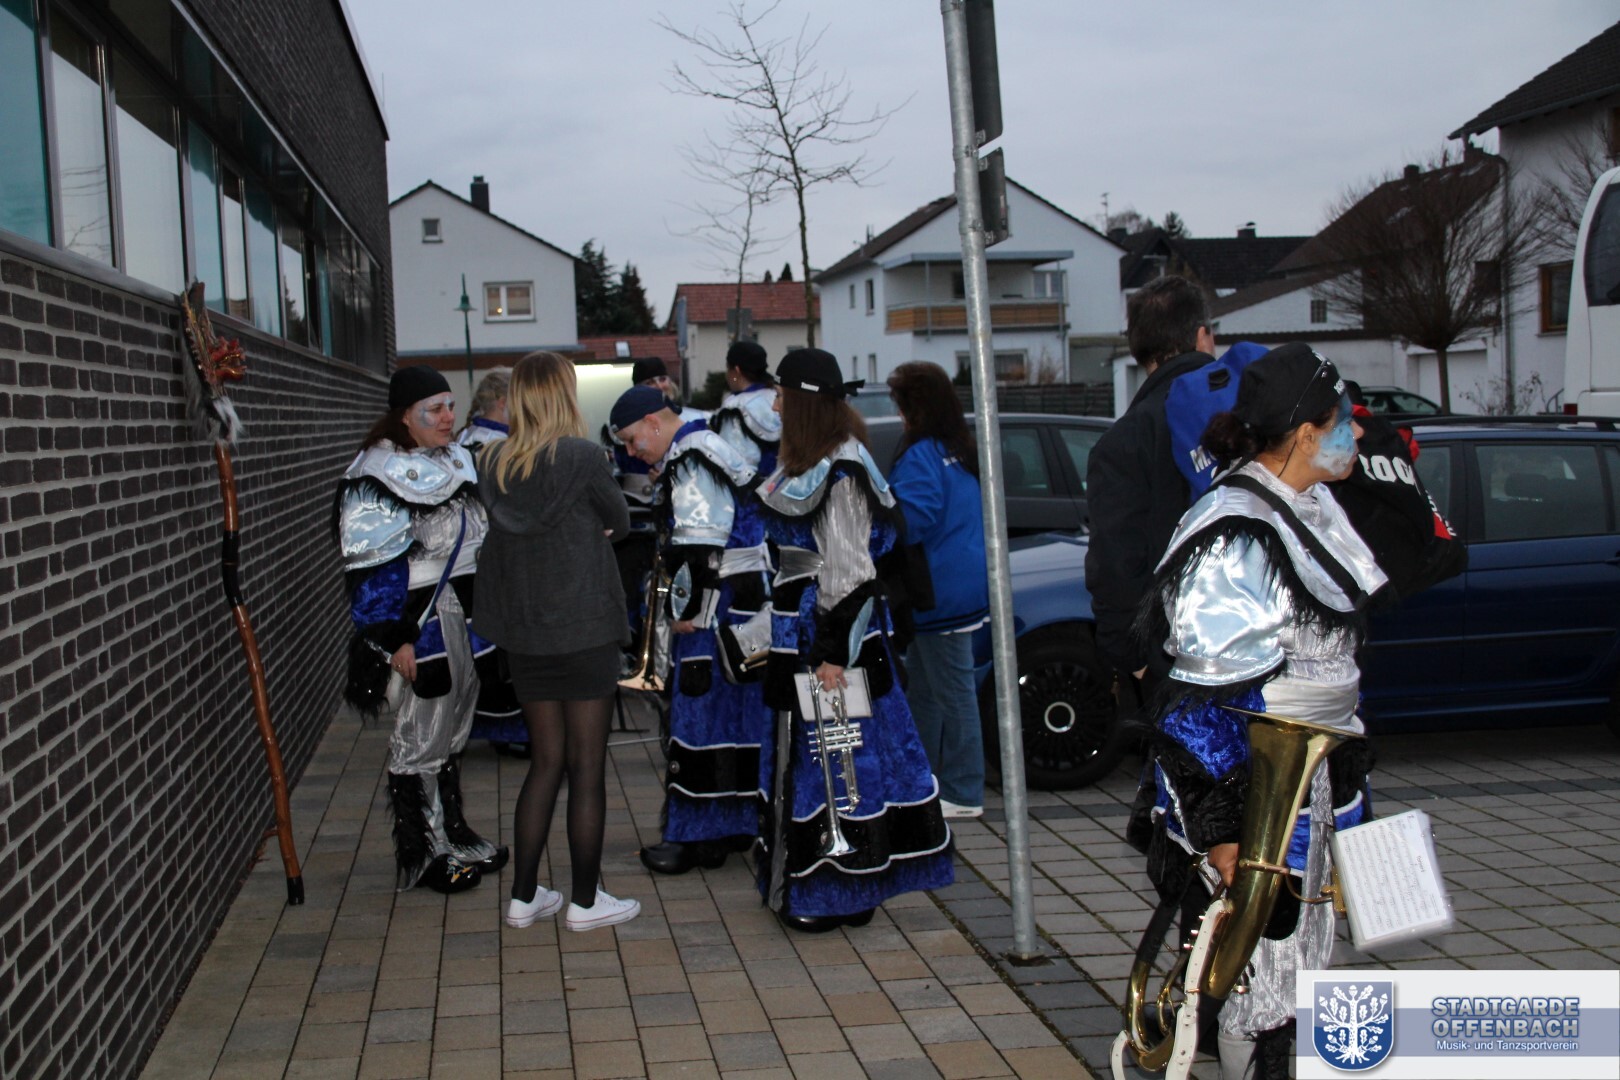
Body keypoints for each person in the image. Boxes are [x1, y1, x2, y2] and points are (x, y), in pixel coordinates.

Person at [1135, 343, 1385, 1078]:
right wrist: (1223, 832)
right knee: (1263, 982)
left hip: (1318, 779)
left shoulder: (1311, 503)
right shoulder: (1236, 530)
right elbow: (1196, 702)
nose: (1358, 432)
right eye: (1344, 421)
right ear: (1305, 433)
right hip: (1259, 800)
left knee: (1305, 965)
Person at [755, 347, 954, 933]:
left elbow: (850, 573)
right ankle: (838, 886)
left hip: (835, 644)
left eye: (781, 395)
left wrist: (831, 657)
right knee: (834, 760)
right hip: (812, 636)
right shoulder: (818, 461)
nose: (774, 405)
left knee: (840, 763)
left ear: (802, 404)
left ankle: (842, 890)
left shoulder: (841, 468)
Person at [473, 352, 640, 932]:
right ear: (564, 395)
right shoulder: (583, 456)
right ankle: (585, 903)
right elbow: (622, 521)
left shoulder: (490, 461)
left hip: (526, 634)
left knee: (545, 763)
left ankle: (524, 897)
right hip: (585, 627)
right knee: (586, 767)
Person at [336, 365, 509, 894]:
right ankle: (424, 850)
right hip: (421, 620)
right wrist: (395, 639)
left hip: (462, 613)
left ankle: (452, 831)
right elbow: (372, 567)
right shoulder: (376, 473)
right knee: (421, 733)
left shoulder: (455, 458)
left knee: (453, 727)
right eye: (433, 409)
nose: (447, 417)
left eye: (450, 405)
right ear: (404, 417)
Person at [610, 384, 772, 874]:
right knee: (736, 717)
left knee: (698, 715)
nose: (632, 452)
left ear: (654, 422)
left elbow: (699, 542)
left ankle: (692, 835)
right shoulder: (708, 445)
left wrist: (687, 609)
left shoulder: (691, 456)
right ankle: (733, 824)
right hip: (740, 601)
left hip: (712, 607)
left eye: (633, 439)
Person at [1085, 275, 1218, 687]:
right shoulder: (1255, 410)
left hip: (1179, 654)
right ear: (1202, 336)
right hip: (1273, 643)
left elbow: (1115, 564)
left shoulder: (1125, 440)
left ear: (1137, 349)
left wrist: (1133, 659)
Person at [884, 361, 989, 819]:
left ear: (913, 407)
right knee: (926, 692)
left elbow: (915, 518)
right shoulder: (958, 448)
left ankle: (963, 792)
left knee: (953, 693)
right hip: (960, 584)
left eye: (899, 404)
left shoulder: (922, 454)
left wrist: (878, 518)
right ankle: (919, 780)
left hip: (936, 591)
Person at [454, 369, 528, 756]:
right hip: (498, 556)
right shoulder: (501, 446)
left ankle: (477, 724)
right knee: (504, 647)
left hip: (466, 562)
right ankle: (511, 729)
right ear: (503, 403)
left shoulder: (462, 440)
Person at [711, 340, 781, 474]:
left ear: (736, 371)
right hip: (782, 481)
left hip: (752, 484)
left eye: (728, 369)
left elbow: (732, 462)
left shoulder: (734, 408)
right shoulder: (777, 397)